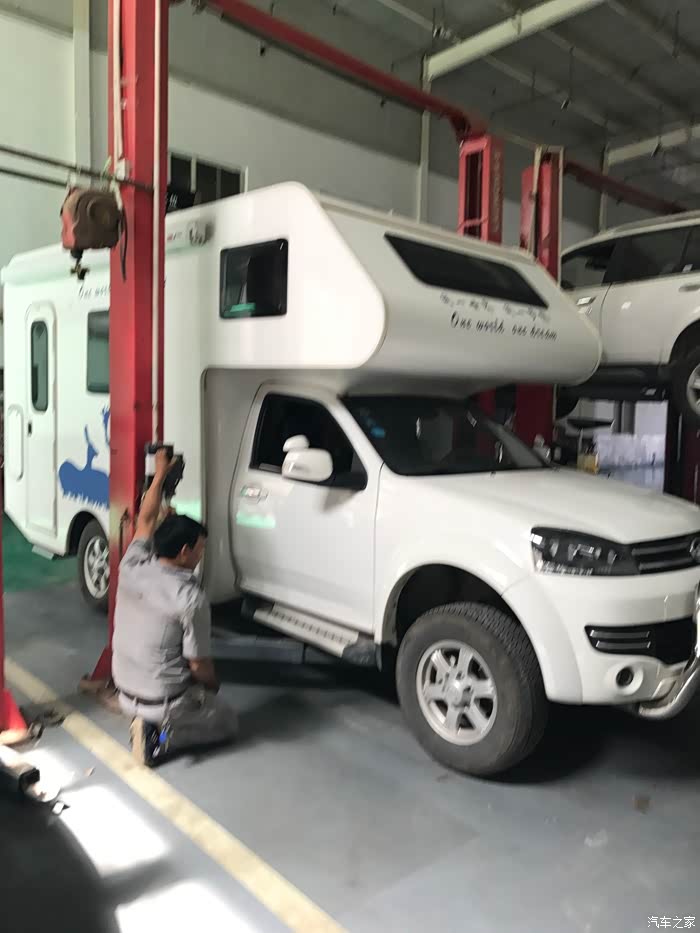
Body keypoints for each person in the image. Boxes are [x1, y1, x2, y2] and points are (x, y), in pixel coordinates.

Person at [112, 448, 237, 767]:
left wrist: (160, 474)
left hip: (124, 689)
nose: (201, 554)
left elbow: (145, 520)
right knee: (226, 721)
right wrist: (212, 688)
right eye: (200, 549)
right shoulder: (190, 598)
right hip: (161, 702)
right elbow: (199, 665)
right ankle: (161, 738)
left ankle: (148, 724)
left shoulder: (132, 564)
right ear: (184, 552)